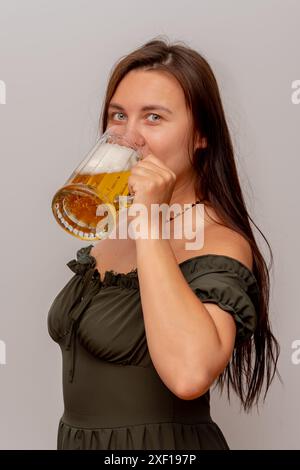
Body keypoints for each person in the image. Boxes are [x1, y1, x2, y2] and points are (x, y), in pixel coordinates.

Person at [47, 36, 280, 450]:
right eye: (118, 116)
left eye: (153, 118)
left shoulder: (219, 242)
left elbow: (189, 376)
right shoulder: (112, 228)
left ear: (201, 135)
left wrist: (149, 224)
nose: (128, 136)